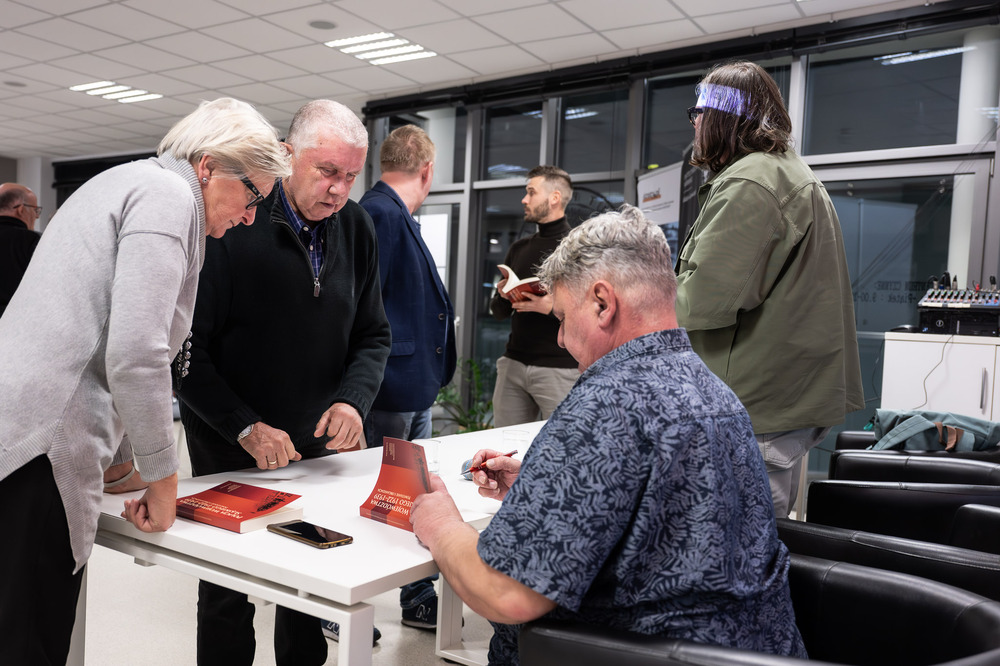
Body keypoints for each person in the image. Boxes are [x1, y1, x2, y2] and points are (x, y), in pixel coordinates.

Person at [411, 205, 806, 666]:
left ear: (602, 303)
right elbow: (671, 521)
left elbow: (507, 593)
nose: (559, 339)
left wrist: (440, 525)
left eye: (561, 317)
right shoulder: (714, 391)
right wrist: (544, 486)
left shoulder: (608, 402)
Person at [0, 97, 291, 665]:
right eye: (253, 193)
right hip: (42, 448)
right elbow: (137, 353)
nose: (252, 214)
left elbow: (100, 336)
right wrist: (163, 480)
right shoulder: (168, 198)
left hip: (19, 432)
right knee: (28, 638)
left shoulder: (129, 181)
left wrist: (122, 463)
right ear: (208, 166)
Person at [174, 99, 391, 666]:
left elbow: (372, 334)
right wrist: (245, 427)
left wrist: (352, 402)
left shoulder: (357, 227)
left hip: (313, 448)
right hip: (230, 441)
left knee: (307, 586)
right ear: (288, 156)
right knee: (226, 591)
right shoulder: (235, 219)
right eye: (326, 172)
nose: (340, 189)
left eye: (350, 175)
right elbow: (186, 355)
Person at [674, 60, 864, 517]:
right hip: (777, 402)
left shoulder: (751, 181)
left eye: (700, 112)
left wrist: (630, 299)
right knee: (766, 542)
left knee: (737, 555)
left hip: (752, 405)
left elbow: (704, 301)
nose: (695, 122)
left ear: (723, 118)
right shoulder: (783, 172)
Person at [359, 124, 456, 629]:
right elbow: (361, 308)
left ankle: (416, 597)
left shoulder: (395, 215)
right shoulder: (379, 214)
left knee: (412, 496)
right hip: (387, 389)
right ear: (427, 171)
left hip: (411, 386)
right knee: (380, 498)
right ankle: (344, 608)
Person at [489, 165, 579, 427]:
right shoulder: (519, 249)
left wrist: (550, 307)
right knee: (503, 447)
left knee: (562, 448)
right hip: (513, 365)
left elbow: (593, 311)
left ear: (554, 198)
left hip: (560, 369)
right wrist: (504, 296)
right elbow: (498, 312)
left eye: (531, 192)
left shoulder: (577, 247)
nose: (524, 199)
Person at [0, 182, 42, 317]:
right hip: (14, 324)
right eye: (35, 210)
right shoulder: (32, 241)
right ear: (21, 209)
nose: (37, 216)